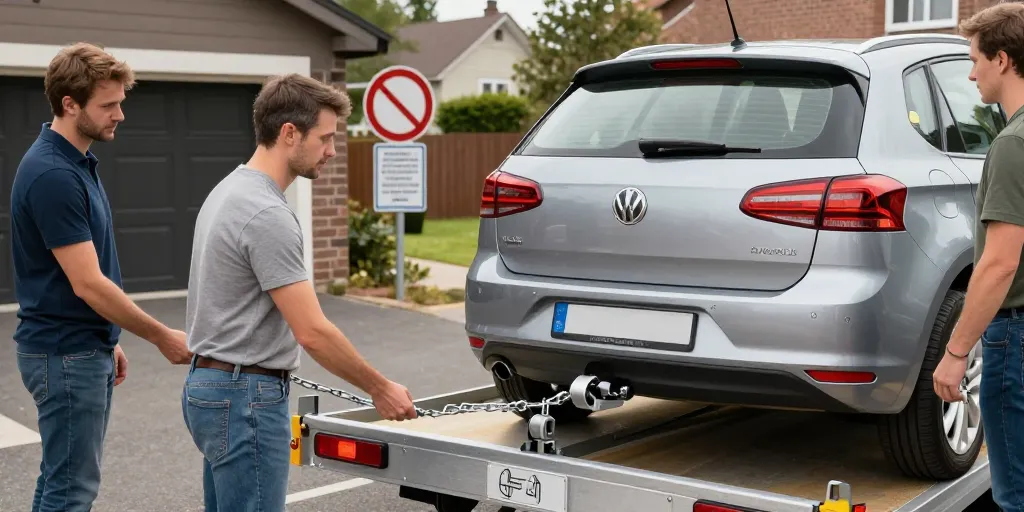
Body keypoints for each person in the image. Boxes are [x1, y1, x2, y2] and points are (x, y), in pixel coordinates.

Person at [180, 72, 418, 511]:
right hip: (245, 398)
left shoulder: (228, 189)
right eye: (325, 138)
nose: (332, 151)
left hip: (212, 387)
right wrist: (380, 388)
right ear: (289, 133)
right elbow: (312, 331)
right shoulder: (266, 213)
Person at [10, 42, 192, 512]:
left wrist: (107, 338)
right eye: (108, 105)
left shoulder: (75, 162)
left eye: (120, 103)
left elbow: (78, 280)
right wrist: (161, 336)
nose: (119, 115)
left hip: (77, 346)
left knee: (60, 481)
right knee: (71, 492)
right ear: (70, 104)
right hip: (66, 354)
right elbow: (87, 283)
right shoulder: (53, 174)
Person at [933, 3, 1024, 510]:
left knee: (1016, 495)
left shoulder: (1013, 144)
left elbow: (1000, 263)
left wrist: (955, 354)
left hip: (1015, 338)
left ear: (1002, 60)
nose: (971, 74)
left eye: (975, 60)